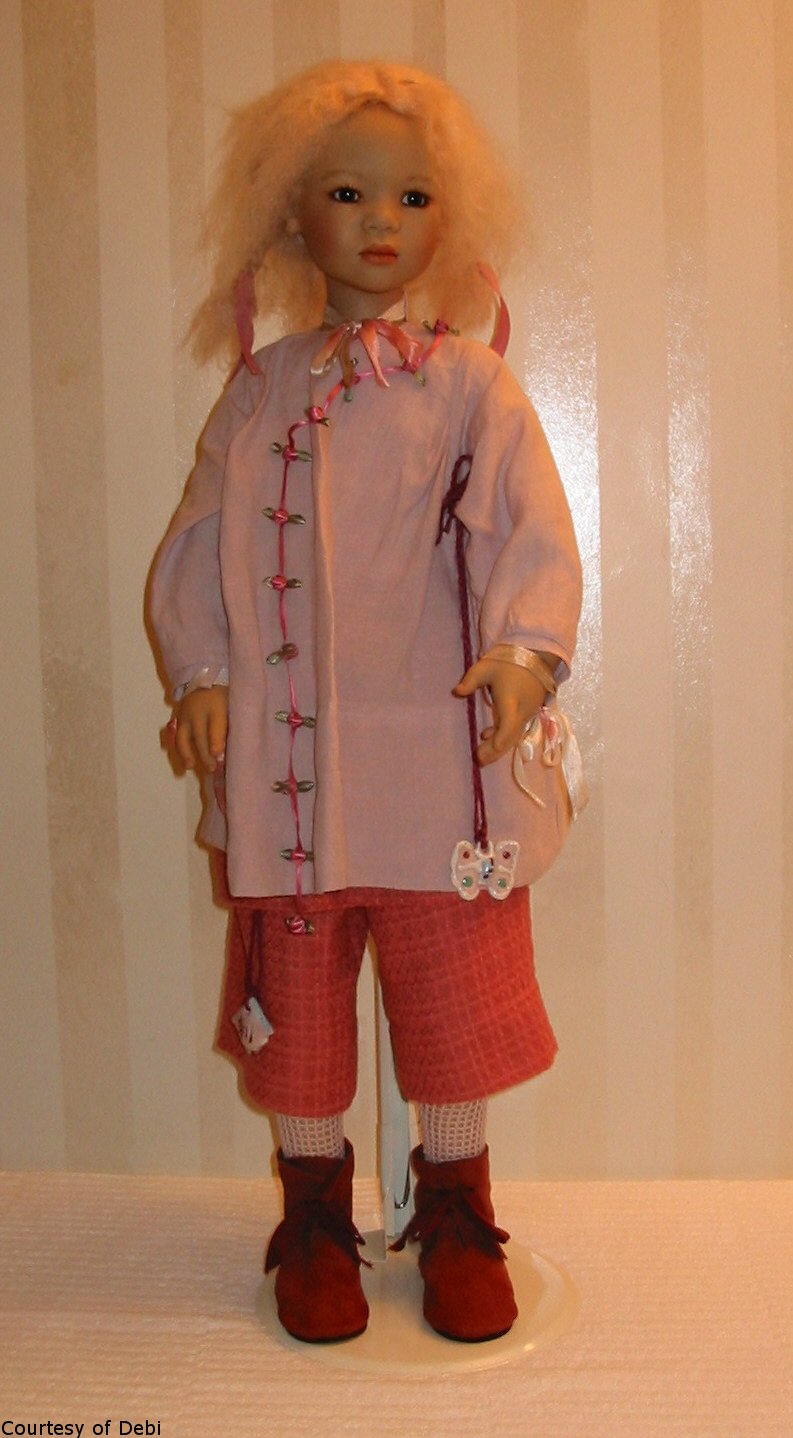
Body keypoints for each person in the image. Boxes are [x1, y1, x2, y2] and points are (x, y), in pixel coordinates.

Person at [149, 59, 582, 1346]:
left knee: (449, 999)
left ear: (452, 218)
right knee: (300, 1008)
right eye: (347, 193)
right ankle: (313, 1214)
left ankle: (453, 1205)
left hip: (434, 764)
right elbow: (199, 540)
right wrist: (204, 676)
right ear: (291, 216)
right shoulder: (261, 387)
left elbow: (531, 529)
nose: (381, 221)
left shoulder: (471, 385)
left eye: (412, 196)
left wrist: (523, 654)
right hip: (290, 769)